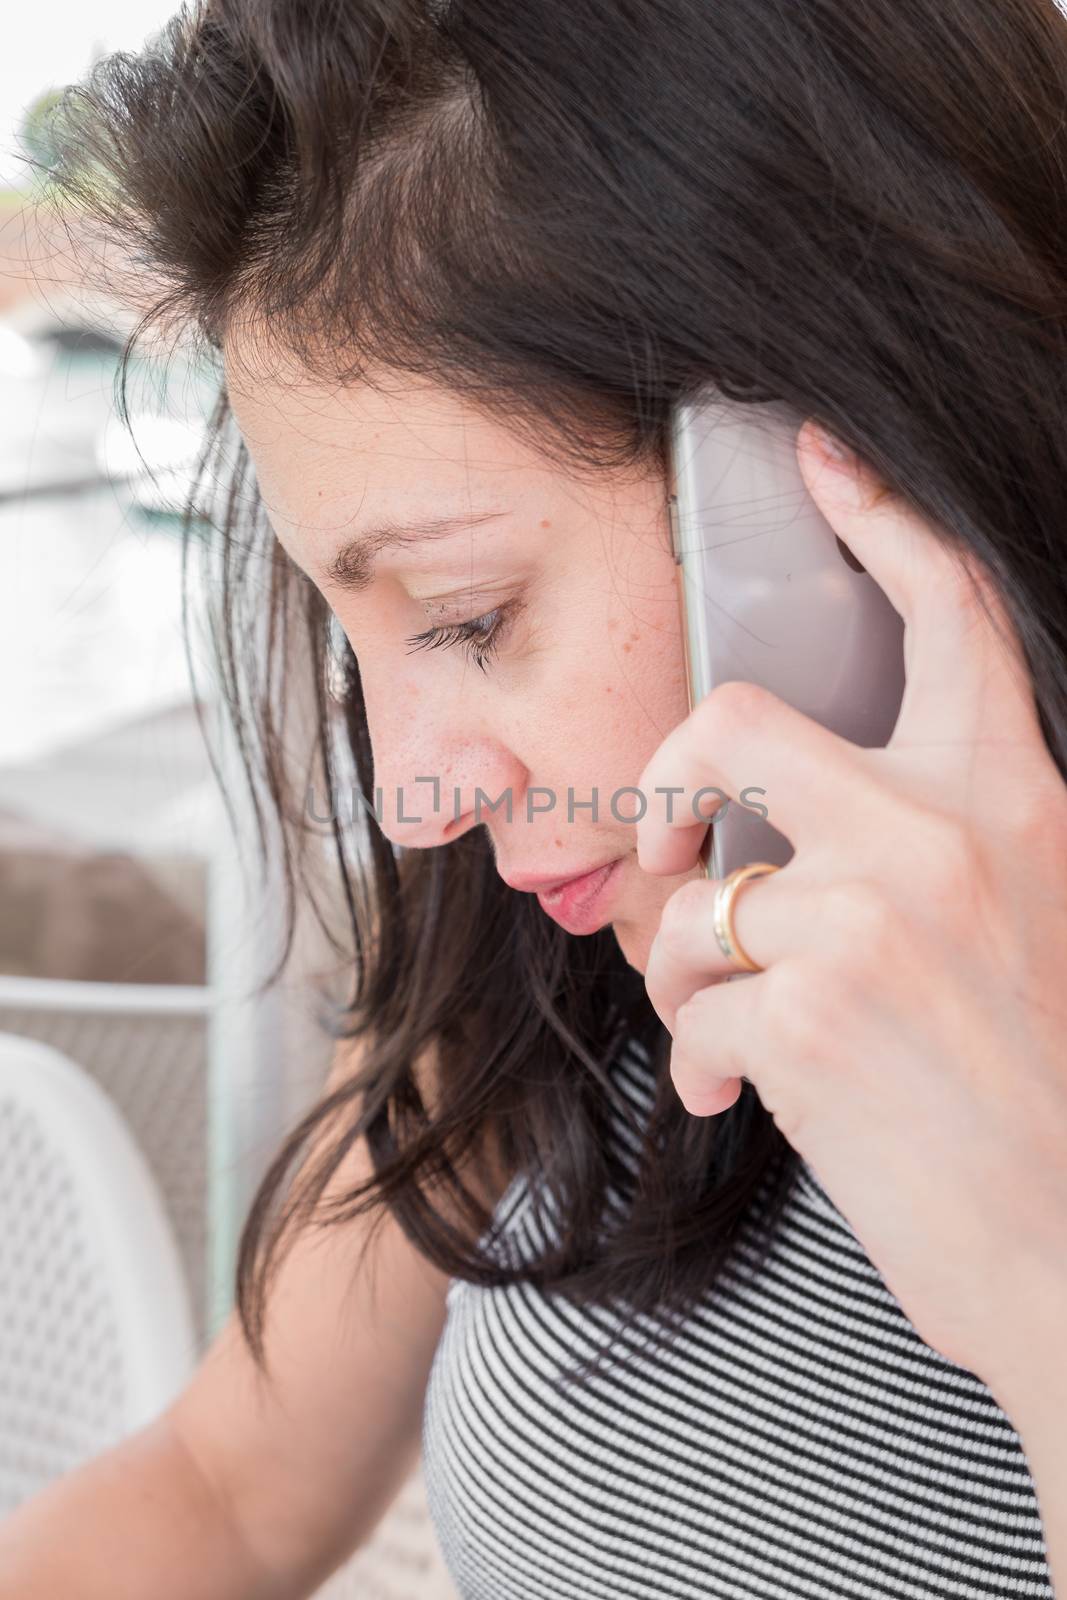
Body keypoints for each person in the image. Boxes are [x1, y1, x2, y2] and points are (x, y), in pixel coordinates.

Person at [4, 0, 1067, 1595]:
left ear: (832, 488)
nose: (409, 801)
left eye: (467, 618)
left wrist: (1031, 1244)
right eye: (359, 643)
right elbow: (226, 1489)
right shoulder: (552, 956)